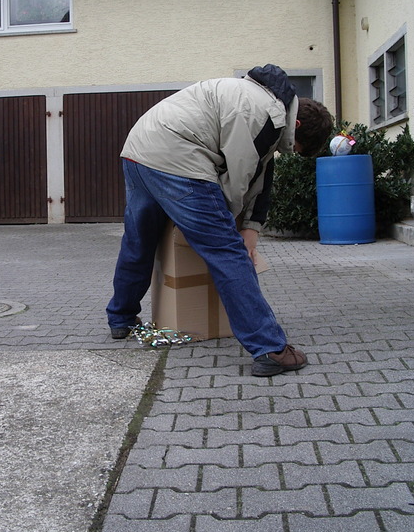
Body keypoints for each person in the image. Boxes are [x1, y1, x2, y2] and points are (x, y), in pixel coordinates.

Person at [106, 64, 333, 377]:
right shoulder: (265, 115)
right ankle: (269, 348)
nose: (288, 150)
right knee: (227, 251)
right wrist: (233, 229)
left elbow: (262, 174)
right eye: (294, 146)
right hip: (177, 157)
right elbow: (238, 182)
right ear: (297, 124)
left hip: (138, 151)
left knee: (139, 240)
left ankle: (121, 318)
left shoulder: (261, 99)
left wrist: (252, 228)